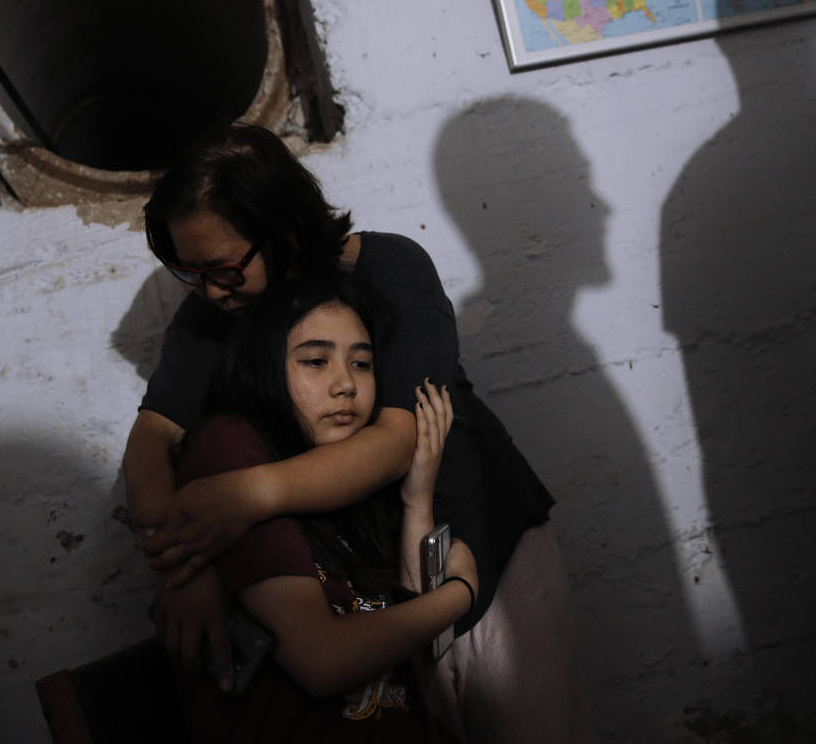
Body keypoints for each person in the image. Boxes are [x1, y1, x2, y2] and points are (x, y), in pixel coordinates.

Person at [123, 123, 594, 742]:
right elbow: (151, 442)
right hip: (370, 580)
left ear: (284, 228)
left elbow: (396, 442)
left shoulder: (391, 266)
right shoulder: (216, 313)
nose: (212, 290)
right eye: (190, 272)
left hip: (476, 530)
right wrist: (182, 567)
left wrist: (245, 496)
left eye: (227, 268)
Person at [175, 275, 471, 740]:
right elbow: (323, 661)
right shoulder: (232, 449)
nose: (346, 385)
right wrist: (460, 594)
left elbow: (415, 645)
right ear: (264, 365)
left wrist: (417, 495)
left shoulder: (347, 472)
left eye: (361, 363)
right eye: (316, 361)